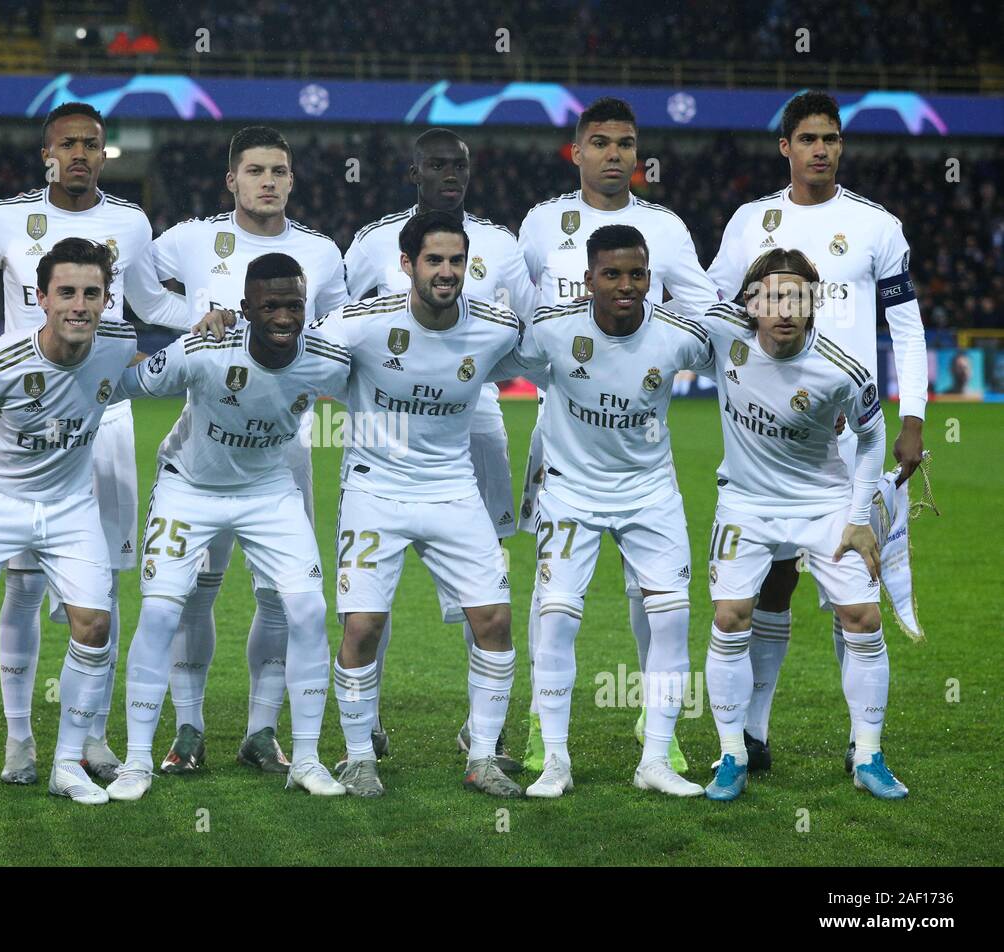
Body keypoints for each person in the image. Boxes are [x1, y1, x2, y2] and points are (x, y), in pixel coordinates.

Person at [0, 101, 193, 786]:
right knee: (19, 583)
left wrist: (219, 320)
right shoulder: (8, 219)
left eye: (92, 145)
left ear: (105, 154)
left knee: (101, 586)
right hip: (22, 421)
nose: (79, 154)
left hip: (104, 418)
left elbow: (154, 306)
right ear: (48, 152)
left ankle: (90, 739)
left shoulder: (130, 222)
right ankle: (18, 740)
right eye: (67, 144)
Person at [706, 90, 928, 772]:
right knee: (770, 588)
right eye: (808, 139)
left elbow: (907, 326)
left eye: (831, 138)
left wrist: (914, 418)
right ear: (786, 147)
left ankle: (863, 747)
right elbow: (715, 301)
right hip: (768, 438)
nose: (822, 150)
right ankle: (754, 736)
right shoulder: (750, 221)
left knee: (850, 595)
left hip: (852, 433)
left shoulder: (876, 226)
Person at [516, 96, 719, 773]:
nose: (613, 154)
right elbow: (515, 317)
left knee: (651, 594)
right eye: (599, 141)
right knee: (553, 592)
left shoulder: (663, 228)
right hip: (561, 433)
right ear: (575, 150)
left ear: (638, 154)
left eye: (625, 143)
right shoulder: (543, 223)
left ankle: (655, 722)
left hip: (637, 432)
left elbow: (706, 311)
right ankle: (542, 729)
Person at [108, 253, 350, 800]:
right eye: (271, 306)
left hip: (268, 491)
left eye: (294, 305)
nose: (284, 317)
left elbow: (385, 390)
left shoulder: (326, 360)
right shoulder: (203, 350)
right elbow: (127, 385)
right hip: (188, 488)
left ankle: (306, 759)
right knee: (162, 609)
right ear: (245, 309)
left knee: (308, 609)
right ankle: (137, 762)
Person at [150, 126, 348, 776]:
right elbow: (140, 288)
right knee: (195, 592)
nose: (268, 180)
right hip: (206, 441)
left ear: (293, 180)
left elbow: (340, 330)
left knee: (281, 598)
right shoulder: (189, 238)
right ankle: (188, 728)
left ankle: (262, 732)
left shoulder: (319, 251)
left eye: (280, 171)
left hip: (283, 450)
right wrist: (191, 323)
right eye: (255, 170)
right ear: (231, 179)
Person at [343, 127, 536, 773]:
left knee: (483, 592)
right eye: (436, 164)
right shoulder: (372, 242)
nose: (449, 173)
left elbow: (531, 340)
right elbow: (343, 332)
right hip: (386, 427)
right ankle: (363, 730)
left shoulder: (502, 246)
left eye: (459, 164)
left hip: (470, 413)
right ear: (412, 170)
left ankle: (480, 735)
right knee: (370, 604)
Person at [314, 211, 524, 798]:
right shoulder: (359, 323)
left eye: (456, 261)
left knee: (495, 620)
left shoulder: (494, 328)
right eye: (434, 260)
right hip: (374, 488)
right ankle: (359, 758)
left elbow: (548, 353)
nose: (447, 272)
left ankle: (482, 758)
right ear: (407, 265)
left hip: (453, 488)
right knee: (363, 627)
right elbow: (295, 354)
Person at [0, 238, 141, 808]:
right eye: (66, 292)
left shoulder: (118, 344)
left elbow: (162, 365)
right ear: (41, 298)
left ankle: (67, 765)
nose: (79, 304)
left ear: (106, 299)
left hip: (70, 506)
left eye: (91, 293)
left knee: (94, 627)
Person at [697, 248, 906, 801]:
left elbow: (871, 438)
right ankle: (732, 754)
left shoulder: (844, 370)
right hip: (745, 501)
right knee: (730, 615)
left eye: (797, 296)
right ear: (751, 302)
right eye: (772, 296)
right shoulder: (723, 334)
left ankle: (868, 753)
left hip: (824, 503)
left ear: (815, 302)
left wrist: (859, 519)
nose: (785, 308)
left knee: (862, 616)